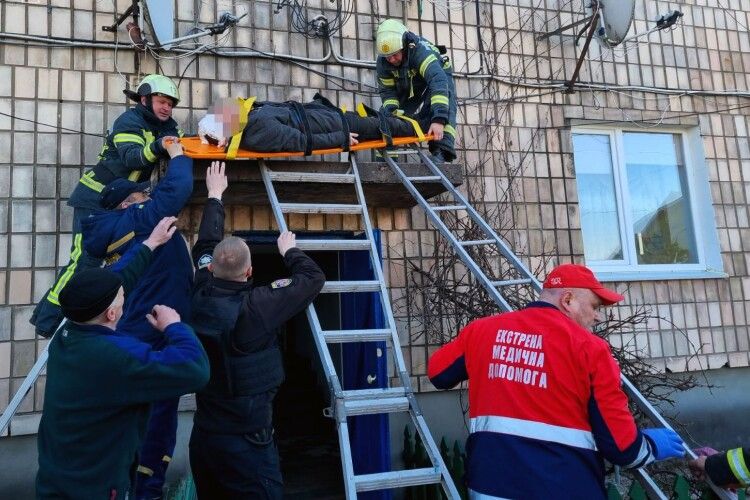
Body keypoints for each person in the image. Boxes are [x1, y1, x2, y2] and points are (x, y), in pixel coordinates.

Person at [427, 264, 686, 499]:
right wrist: (651, 445)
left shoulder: (482, 331)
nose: (598, 317)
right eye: (595, 307)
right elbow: (623, 449)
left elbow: (438, 373)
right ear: (568, 300)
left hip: (489, 488)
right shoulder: (591, 350)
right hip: (564, 488)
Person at [36, 218, 210, 500]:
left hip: (56, 481)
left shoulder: (68, 333)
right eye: (121, 300)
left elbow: (117, 280)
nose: (124, 297)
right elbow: (195, 369)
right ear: (113, 314)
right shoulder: (116, 357)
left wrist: (151, 243)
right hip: (97, 489)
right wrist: (174, 327)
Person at [187, 162, 326, 499]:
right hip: (246, 443)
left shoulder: (200, 291)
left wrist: (215, 195)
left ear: (211, 269)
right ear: (250, 271)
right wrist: (289, 250)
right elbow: (312, 279)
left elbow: (206, 246)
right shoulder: (256, 308)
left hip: (204, 436)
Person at [79, 140, 194, 500]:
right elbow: (174, 194)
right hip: (152, 335)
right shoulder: (132, 223)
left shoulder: (116, 231)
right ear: (125, 205)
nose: (146, 199)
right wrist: (178, 156)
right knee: (158, 423)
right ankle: (146, 491)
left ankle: (134, 486)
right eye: (140, 197)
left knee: (143, 422)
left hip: (141, 332)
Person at [31, 74, 183, 338]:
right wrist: (160, 145)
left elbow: (181, 144)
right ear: (145, 100)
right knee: (83, 261)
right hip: (93, 198)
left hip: (118, 204)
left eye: (170, 103)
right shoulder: (129, 121)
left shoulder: (167, 126)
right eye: (161, 101)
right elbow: (133, 158)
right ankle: (49, 322)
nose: (166, 107)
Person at [197, 94, 423, 154]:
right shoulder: (257, 132)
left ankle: (421, 123)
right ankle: (423, 127)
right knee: (379, 127)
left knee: (376, 123)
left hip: (327, 117)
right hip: (334, 127)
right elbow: (302, 142)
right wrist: (340, 139)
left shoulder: (252, 115)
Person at [375, 19, 458, 163]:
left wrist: (438, 120)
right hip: (410, 78)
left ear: (405, 45)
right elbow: (388, 91)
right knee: (387, 114)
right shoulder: (384, 62)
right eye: (387, 57)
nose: (391, 59)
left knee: (443, 103)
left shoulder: (421, 53)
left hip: (439, 73)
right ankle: (387, 158)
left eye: (395, 54)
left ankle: (441, 151)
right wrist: (392, 110)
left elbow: (438, 82)